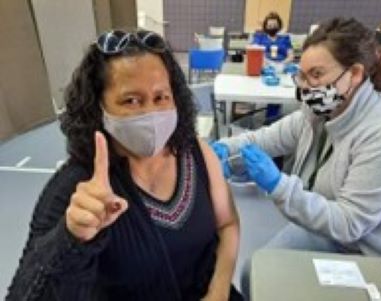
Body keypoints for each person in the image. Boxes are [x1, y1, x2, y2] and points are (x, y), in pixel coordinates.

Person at [6, 30, 243, 301]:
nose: (151, 113)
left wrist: (219, 291)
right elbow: (23, 293)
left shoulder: (195, 151)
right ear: (98, 107)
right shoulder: (75, 189)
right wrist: (70, 239)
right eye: (131, 100)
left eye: (161, 97)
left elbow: (228, 224)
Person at [212, 17, 381, 259]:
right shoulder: (318, 112)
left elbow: (349, 224)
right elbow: (265, 139)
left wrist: (278, 185)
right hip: (326, 227)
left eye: (316, 74)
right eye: (302, 75)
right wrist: (221, 150)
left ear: (354, 74)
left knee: (268, 277)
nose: (305, 87)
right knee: (256, 271)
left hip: (370, 251)